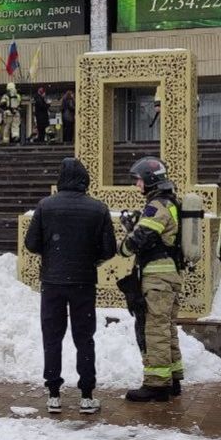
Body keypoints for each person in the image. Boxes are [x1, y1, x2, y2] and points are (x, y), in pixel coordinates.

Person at [24, 157, 117, 415]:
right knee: (84, 338)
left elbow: (31, 244)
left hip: (52, 282)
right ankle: (87, 395)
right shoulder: (98, 209)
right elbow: (110, 249)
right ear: (85, 179)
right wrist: (90, 258)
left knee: (52, 338)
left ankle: (53, 394)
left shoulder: (45, 206)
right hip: (83, 283)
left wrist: (53, 254)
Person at [119, 157, 184, 402]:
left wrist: (123, 246)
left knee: (155, 329)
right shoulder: (170, 202)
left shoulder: (157, 205)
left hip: (157, 277)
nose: (137, 186)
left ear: (149, 180)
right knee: (166, 327)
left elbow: (141, 238)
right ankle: (173, 378)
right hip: (169, 275)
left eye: (138, 180)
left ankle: (157, 384)